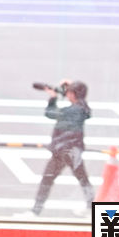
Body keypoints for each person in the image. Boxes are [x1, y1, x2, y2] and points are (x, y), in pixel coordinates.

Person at [24, 79, 94, 216]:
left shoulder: (72, 110)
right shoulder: (82, 109)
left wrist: (53, 98)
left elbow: (50, 113)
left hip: (61, 152)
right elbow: (86, 110)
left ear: (73, 94)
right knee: (83, 179)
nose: (67, 94)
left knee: (47, 180)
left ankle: (35, 211)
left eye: (69, 92)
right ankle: (91, 207)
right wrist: (70, 87)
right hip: (74, 151)